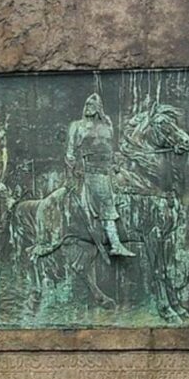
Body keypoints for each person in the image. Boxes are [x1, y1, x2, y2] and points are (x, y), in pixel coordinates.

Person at [65, 93, 135, 257]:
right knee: (105, 200)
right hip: (91, 171)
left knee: (131, 186)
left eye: (92, 105)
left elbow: (111, 148)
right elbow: (70, 154)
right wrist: (73, 172)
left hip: (109, 169)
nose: (88, 107)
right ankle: (116, 243)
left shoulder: (107, 125)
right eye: (87, 104)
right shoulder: (77, 126)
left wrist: (117, 164)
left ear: (99, 108)